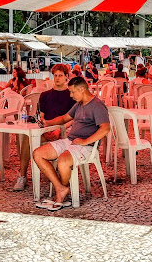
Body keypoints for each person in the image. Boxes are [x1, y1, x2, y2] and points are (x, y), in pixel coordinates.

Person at [33, 77, 110, 211]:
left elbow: (105, 128)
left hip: (86, 146)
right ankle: (61, 188)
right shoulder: (79, 104)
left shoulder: (97, 105)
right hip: (70, 141)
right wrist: (48, 123)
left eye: (73, 92)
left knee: (63, 160)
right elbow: (64, 118)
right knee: (38, 153)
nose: (71, 95)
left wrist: (85, 141)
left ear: (82, 89)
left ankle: (60, 195)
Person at [13, 64, 75, 192]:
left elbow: (74, 118)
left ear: (66, 77)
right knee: (27, 139)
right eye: (55, 75)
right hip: (47, 127)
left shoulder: (71, 95)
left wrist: (60, 129)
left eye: (60, 75)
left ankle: (58, 172)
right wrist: (45, 126)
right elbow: (42, 117)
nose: (57, 78)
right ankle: (23, 176)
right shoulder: (45, 95)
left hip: (66, 129)